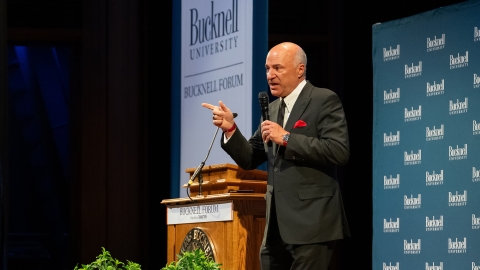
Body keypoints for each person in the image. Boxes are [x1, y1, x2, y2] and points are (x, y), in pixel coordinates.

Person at [202, 42, 350, 270]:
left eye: (278, 68)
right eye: (267, 69)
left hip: (312, 223)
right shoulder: (272, 109)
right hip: (275, 228)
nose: (270, 75)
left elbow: (338, 151)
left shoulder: (323, 100)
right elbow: (250, 157)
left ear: (300, 69)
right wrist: (231, 129)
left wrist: (288, 138)